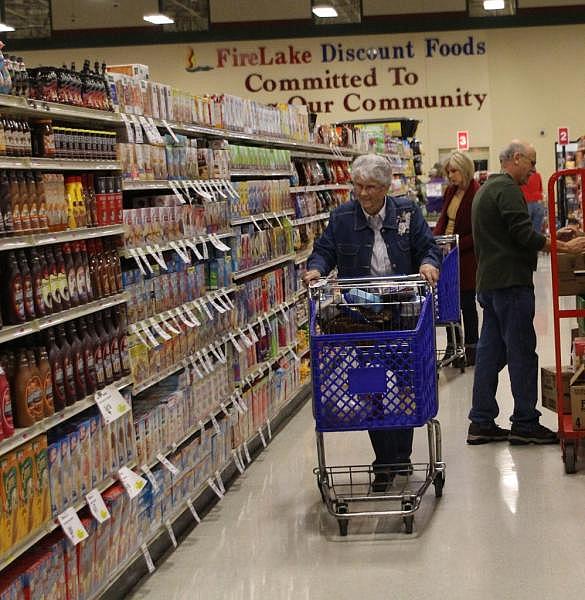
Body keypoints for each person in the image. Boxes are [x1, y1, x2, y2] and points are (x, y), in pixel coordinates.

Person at [303, 154, 441, 491]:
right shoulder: (342, 217)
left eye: (371, 187)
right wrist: (317, 268)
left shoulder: (406, 212)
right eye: (358, 186)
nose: (363, 194)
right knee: (373, 384)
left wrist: (427, 264)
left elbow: (428, 247)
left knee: (406, 385)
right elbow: (324, 250)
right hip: (364, 318)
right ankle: (384, 462)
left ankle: (401, 455)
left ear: (385, 187)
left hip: (404, 313)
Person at [467, 140, 585, 445]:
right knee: (521, 352)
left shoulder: (486, 189)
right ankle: (525, 421)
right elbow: (521, 234)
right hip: (511, 284)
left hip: (490, 284)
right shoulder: (506, 189)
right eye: (531, 163)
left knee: (489, 353)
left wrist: (548, 237)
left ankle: (480, 421)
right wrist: (562, 246)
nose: (533, 170)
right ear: (516, 159)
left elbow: (510, 233)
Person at [433, 151, 479, 366]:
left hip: (467, 258)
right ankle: (453, 347)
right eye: (448, 171)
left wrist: (457, 245)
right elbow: (444, 218)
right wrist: (436, 242)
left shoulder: (476, 192)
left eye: (454, 171)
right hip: (447, 255)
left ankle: (471, 349)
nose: (450, 175)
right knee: (449, 305)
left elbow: (478, 231)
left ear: (465, 170)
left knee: (467, 305)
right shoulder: (451, 191)